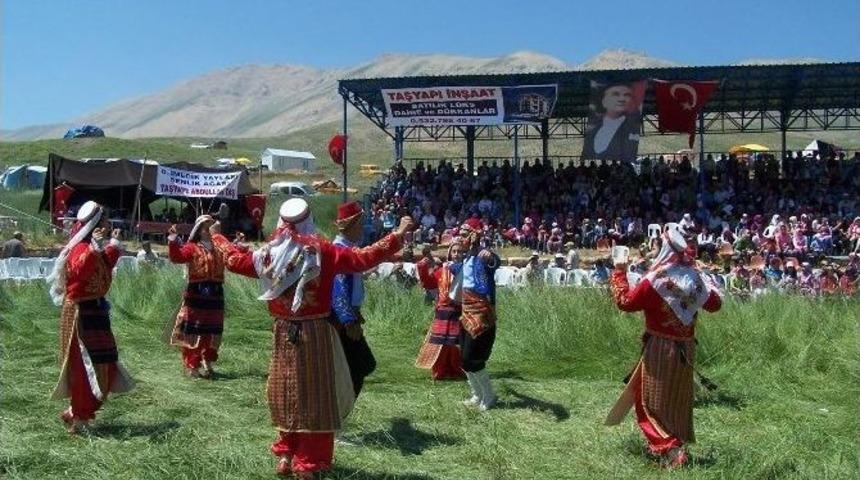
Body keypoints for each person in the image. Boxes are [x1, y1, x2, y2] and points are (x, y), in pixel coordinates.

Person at [214, 198, 411, 479]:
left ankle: (286, 453)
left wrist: (216, 235)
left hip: (283, 331)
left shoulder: (267, 254)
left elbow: (234, 260)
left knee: (285, 390)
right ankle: (308, 463)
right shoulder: (323, 252)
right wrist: (398, 234)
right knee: (316, 396)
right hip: (315, 332)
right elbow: (363, 258)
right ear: (309, 221)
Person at [605, 226, 721, 469]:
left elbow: (625, 302)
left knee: (649, 402)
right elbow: (714, 304)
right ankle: (674, 443)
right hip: (686, 349)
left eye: (657, 246)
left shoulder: (656, 280)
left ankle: (670, 449)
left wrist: (618, 272)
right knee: (676, 399)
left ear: (665, 249)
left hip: (660, 347)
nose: (654, 250)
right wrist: (704, 279)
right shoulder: (694, 277)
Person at [46, 201, 135, 433]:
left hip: (96, 311)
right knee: (84, 366)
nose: (107, 225)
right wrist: (96, 245)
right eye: (105, 221)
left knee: (103, 361)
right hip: (80, 313)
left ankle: (78, 412)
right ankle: (80, 417)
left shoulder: (90, 247)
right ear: (96, 223)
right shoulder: (80, 248)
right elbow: (80, 271)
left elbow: (103, 265)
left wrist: (113, 245)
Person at [167, 215, 226, 379]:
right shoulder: (192, 248)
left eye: (211, 227)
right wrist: (172, 240)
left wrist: (241, 248)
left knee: (212, 331)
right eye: (206, 227)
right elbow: (176, 257)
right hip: (197, 293)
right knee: (194, 330)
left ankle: (207, 361)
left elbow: (232, 257)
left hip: (215, 293)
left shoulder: (219, 247)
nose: (210, 230)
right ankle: (192, 365)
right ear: (199, 230)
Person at [330, 201, 377, 398]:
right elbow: (337, 289)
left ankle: (339, 414)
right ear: (351, 226)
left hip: (349, 315)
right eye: (360, 223)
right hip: (342, 321)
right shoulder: (340, 251)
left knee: (356, 366)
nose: (363, 228)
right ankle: (339, 414)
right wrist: (349, 321)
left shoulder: (348, 248)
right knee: (359, 365)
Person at [457, 222, 501, 411]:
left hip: (481, 314)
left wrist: (491, 256)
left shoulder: (482, 257)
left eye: (464, 235)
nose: (460, 238)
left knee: (473, 358)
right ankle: (477, 394)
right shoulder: (466, 259)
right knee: (464, 359)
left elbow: (495, 262)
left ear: (473, 237)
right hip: (466, 313)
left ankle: (489, 396)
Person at [415, 241, 466, 380]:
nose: (456, 254)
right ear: (449, 253)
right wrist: (423, 267)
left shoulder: (466, 270)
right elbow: (429, 283)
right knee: (441, 343)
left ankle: (456, 370)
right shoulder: (442, 270)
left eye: (460, 251)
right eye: (454, 251)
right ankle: (440, 371)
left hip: (458, 311)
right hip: (443, 310)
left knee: (456, 343)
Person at [581, 82, 642, 161]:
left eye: (627, 95)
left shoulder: (632, 127)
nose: (621, 99)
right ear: (604, 101)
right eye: (615, 94)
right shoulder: (593, 129)